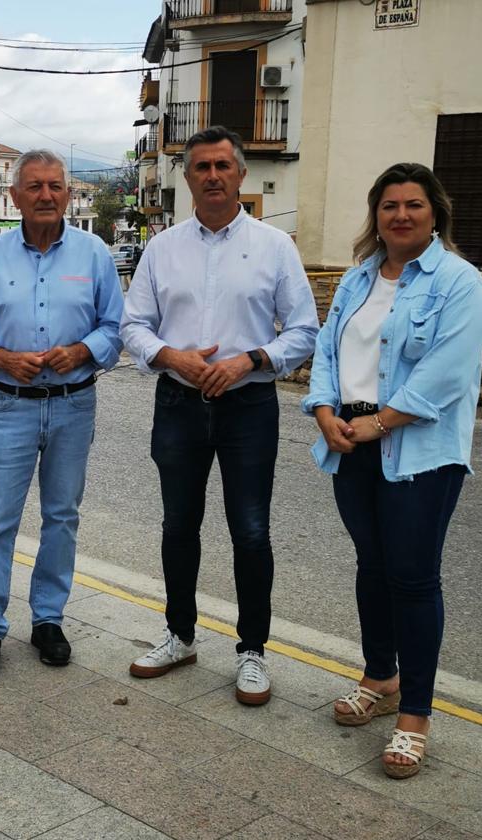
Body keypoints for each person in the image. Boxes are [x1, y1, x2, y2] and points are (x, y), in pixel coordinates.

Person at [303, 162, 482, 779]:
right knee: (372, 568)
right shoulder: (358, 280)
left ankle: (414, 716)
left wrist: (378, 423)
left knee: (412, 578)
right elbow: (328, 350)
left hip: (418, 451)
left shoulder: (460, 284)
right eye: (390, 206)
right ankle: (379, 677)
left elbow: (446, 373)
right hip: (350, 442)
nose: (401, 215)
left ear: (435, 212)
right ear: (376, 215)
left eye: (413, 204)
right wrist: (325, 411)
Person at [120, 126, 319, 706]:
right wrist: (173, 356)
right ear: (186, 178)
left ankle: (252, 651)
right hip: (179, 405)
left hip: (249, 407)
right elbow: (133, 326)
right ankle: (180, 635)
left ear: (240, 174)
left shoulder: (275, 247)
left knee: (250, 532)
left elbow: (304, 330)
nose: (212, 176)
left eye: (221, 166)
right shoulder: (163, 248)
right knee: (178, 527)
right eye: (201, 167)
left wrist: (250, 361)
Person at [0, 149, 123, 682]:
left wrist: (84, 351)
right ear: (14, 196)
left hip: (74, 404)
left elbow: (115, 329)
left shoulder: (94, 254)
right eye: (34, 187)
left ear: (68, 195)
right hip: (10, 406)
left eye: (55, 186)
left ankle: (48, 619)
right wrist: (0, 356)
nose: (45, 195)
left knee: (62, 517)